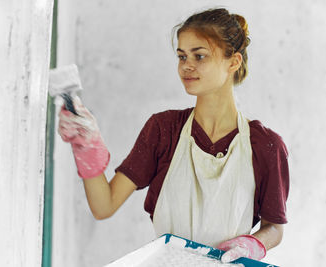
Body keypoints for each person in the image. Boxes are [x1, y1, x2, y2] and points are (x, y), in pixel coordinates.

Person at [57, 8, 289, 263]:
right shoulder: (163, 129)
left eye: (199, 56)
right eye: (181, 56)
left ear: (233, 62)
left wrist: (254, 244)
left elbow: (274, 227)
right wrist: (87, 147)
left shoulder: (266, 145)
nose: (186, 66)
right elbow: (104, 205)